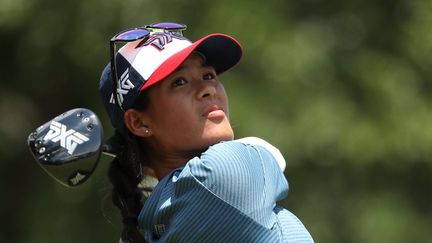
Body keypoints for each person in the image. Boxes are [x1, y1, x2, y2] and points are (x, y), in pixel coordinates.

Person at [98, 22, 314, 243]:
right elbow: (259, 155)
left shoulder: (150, 226)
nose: (208, 89)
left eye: (208, 76)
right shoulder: (216, 178)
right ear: (138, 121)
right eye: (179, 82)